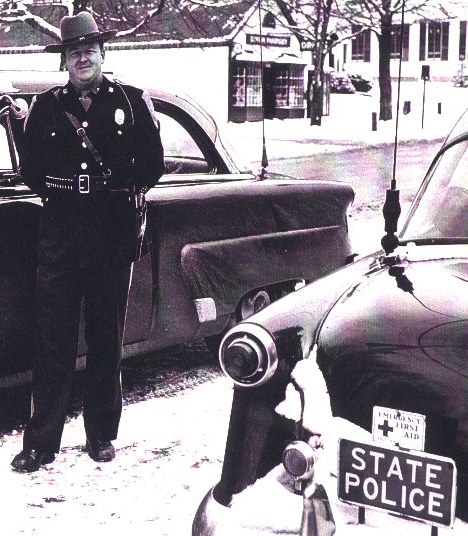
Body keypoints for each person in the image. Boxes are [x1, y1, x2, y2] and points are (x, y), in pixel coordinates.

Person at [11, 11, 165, 472]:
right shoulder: (46, 106)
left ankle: (101, 435)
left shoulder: (131, 102)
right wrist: (65, 194)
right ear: (64, 60)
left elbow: (152, 165)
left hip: (110, 235)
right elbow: (31, 170)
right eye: (73, 51)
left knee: (104, 342)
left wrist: (115, 194)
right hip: (60, 235)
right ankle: (41, 443)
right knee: (52, 342)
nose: (82, 57)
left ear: (103, 53)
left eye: (89, 49)